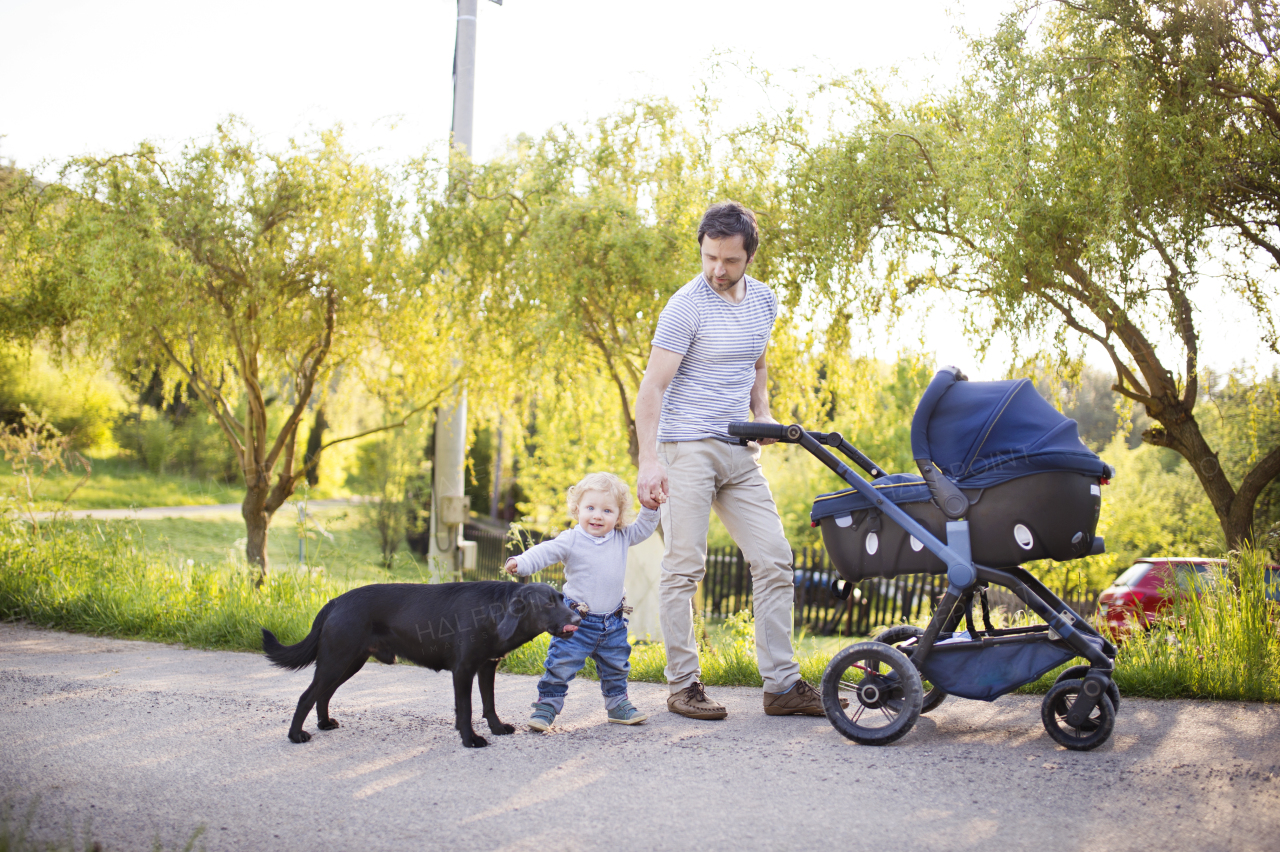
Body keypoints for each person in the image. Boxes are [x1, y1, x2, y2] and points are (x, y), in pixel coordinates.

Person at [635, 200, 837, 720]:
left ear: (750, 256)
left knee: (774, 559)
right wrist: (648, 462)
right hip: (686, 448)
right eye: (709, 258)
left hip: (739, 449)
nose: (717, 271)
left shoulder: (764, 300)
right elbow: (652, 389)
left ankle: (782, 686)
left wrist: (762, 411)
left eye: (729, 261)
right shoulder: (686, 306)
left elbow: (757, 358)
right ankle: (683, 685)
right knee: (685, 567)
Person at [504, 471, 661, 731]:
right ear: (577, 510)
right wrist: (521, 563)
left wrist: (650, 506)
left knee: (617, 665)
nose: (598, 515)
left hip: (613, 623)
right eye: (590, 508)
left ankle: (617, 704)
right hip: (576, 622)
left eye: (607, 511)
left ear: (619, 517)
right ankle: (546, 706)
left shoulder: (622, 537)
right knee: (561, 663)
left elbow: (645, 527)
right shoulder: (571, 539)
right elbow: (546, 552)